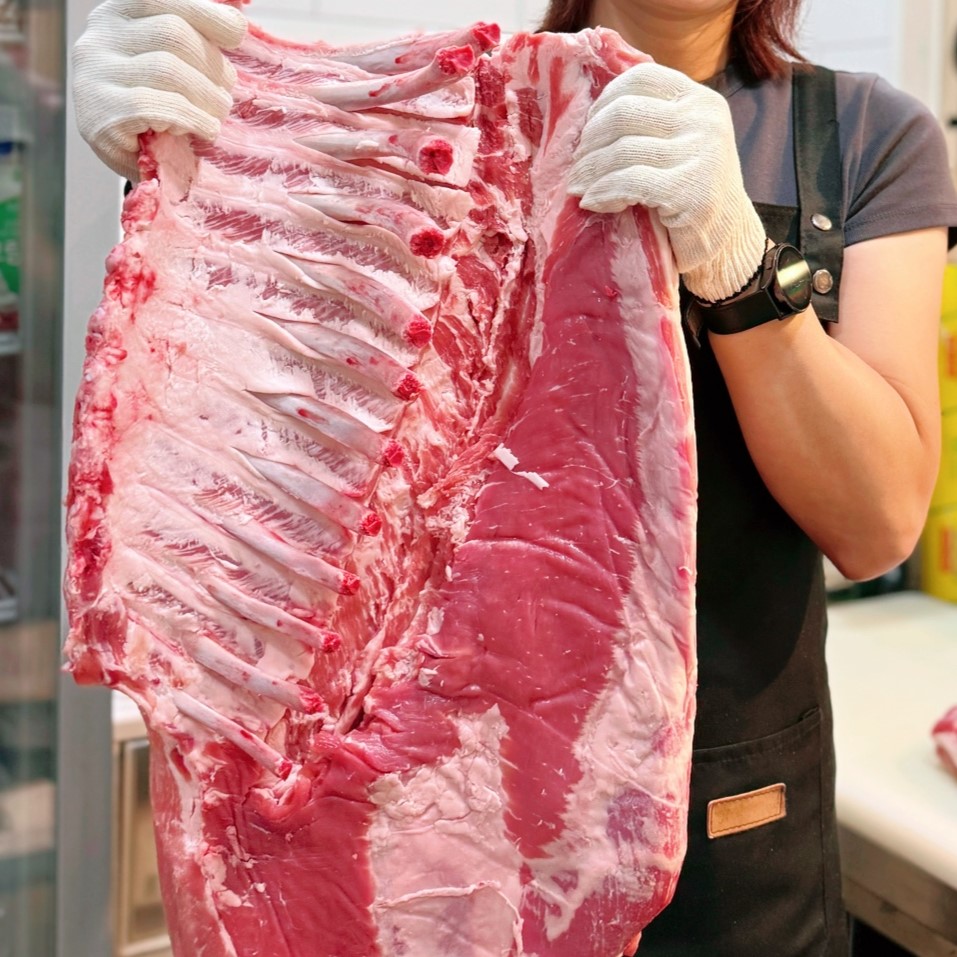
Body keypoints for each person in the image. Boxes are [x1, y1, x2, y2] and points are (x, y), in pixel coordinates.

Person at [70, 0, 957, 954]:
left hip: (735, 838)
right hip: (430, 824)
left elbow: (876, 525)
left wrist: (739, 265)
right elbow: (262, 419)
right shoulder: (439, 110)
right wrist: (184, 154)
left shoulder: (861, 135)